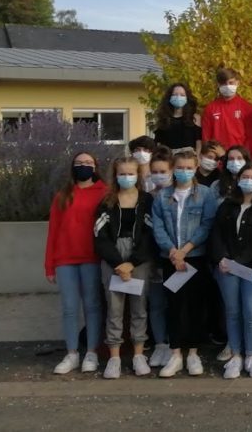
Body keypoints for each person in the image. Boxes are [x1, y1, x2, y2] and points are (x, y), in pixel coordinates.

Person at [151, 150, 219, 377]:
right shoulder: (162, 196)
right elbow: (158, 226)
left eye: (189, 168)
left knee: (195, 306)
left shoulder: (205, 193)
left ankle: (193, 354)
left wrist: (185, 250)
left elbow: (207, 224)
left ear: (196, 167)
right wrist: (172, 251)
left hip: (195, 257)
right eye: (180, 167)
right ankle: (176, 354)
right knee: (175, 305)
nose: (184, 172)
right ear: (173, 168)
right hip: (170, 258)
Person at [94, 157, 155, 379]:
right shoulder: (107, 201)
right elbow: (100, 236)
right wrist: (118, 263)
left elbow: (150, 234)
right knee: (114, 309)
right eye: (122, 173)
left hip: (139, 258)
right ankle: (114, 357)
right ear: (115, 175)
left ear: (138, 175)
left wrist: (133, 262)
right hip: (113, 258)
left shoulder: (147, 200)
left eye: (131, 173)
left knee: (139, 307)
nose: (126, 177)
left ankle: (139, 354)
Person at [46, 152, 106, 375]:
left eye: (88, 163)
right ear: (72, 167)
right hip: (65, 260)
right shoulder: (63, 195)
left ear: (96, 166)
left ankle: (91, 352)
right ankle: (72, 353)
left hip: (92, 258)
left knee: (92, 307)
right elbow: (53, 231)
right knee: (69, 309)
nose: (84, 166)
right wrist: (49, 265)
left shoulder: (105, 193)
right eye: (79, 163)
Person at [209, 164, 252, 379]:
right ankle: (236, 355)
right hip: (226, 267)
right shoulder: (226, 206)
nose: (249, 180)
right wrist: (221, 259)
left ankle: (251, 355)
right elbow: (216, 234)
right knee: (232, 311)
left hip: (251, 268)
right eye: (245, 176)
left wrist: (238, 262)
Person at [146, 149, 174, 368]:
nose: (158, 175)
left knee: (175, 303)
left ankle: (175, 345)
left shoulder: (179, 195)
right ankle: (160, 345)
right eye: (154, 172)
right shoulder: (146, 197)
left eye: (163, 171)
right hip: (152, 259)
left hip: (177, 258)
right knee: (155, 304)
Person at [202, 67, 252, 160]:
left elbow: (251, 137)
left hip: (239, 158)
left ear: (237, 82)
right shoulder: (210, 108)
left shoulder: (248, 108)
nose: (227, 86)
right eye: (224, 83)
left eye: (231, 83)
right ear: (218, 85)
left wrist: (243, 155)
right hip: (216, 158)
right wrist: (211, 154)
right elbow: (206, 137)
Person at [154, 83, 202, 154]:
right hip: (168, 157)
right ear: (169, 97)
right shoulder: (163, 118)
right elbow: (158, 142)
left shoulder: (195, 118)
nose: (178, 97)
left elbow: (198, 141)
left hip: (188, 158)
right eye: (175, 94)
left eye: (182, 95)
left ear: (187, 98)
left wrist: (197, 157)